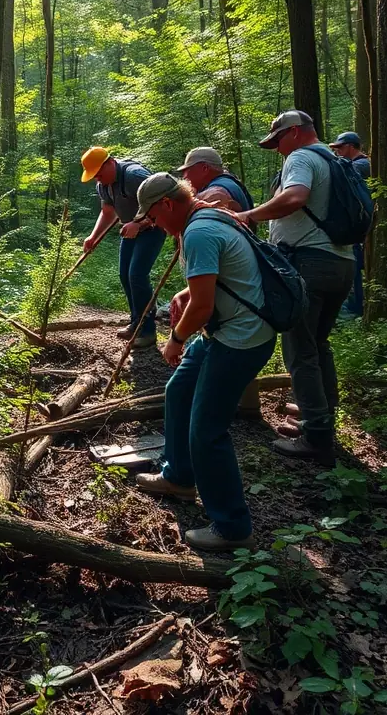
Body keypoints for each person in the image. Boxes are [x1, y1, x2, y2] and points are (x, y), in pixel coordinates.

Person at [132, 173, 276, 552]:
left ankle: (233, 528)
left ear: (167, 204)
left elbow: (203, 306)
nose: (155, 226)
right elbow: (223, 279)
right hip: (224, 331)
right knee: (178, 390)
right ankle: (179, 476)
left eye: (153, 217)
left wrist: (175, 339)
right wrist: (187, 291)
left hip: (239, 339)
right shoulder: (212, 217)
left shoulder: (198, 232)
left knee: (207, 431)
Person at [234, 110, 354, 465]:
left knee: (300, 351)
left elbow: (295, 197)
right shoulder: (336, 160)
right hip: (342, 263)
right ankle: (320, 417)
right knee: (318, 344)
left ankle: (316, 437)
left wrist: (249, 215)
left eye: (278, 141)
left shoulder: (302, 157)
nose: (277, 150)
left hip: (310, 265)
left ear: (296, 133)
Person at [80, 147, 165, 345]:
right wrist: (93, 236)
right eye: (94, 176)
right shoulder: (104, 185)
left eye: (99, 174)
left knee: (137, 275)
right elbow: (108, 212)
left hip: (153, 228)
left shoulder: (136, 176)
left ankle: (147, 331)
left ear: (110, 162)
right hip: (129, 230)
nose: (98, 179)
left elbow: (163, 205)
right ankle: (136, 321)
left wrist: (139, 223)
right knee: (125, 275)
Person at [330, 132, 371, 317]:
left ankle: (356, 310)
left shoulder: (361, 165)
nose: (337, 151)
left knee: (356, 270)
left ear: (351, 146)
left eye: (340, 147)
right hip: (363, 228)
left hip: (363, 228)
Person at [177, 147, 253, 213]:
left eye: (187, 170)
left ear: (204, 168)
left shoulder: (218, 191)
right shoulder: (228, 181)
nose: (184, 177)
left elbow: (216, 195)